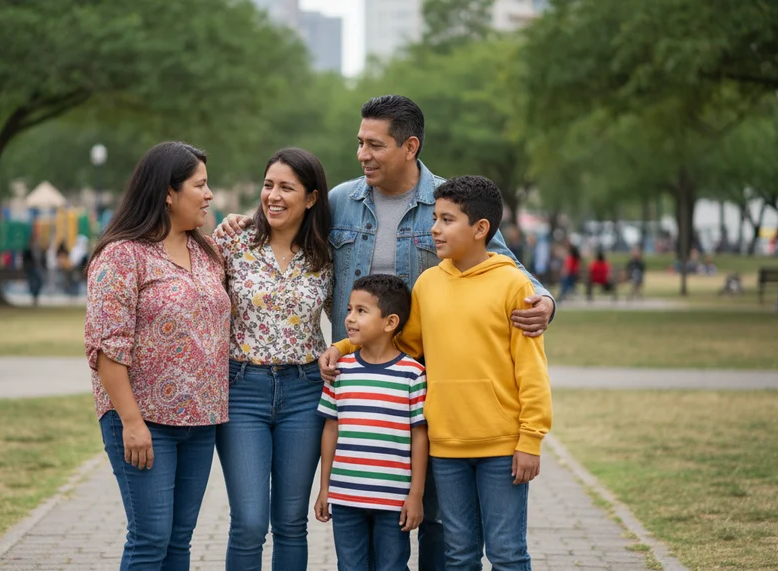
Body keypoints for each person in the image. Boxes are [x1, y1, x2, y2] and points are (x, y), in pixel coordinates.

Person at [217, 96, 555, 570]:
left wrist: (544, 300)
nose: (362, 154)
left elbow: (501, 260)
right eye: (359, 143)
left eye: (375, 145)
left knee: (437, 518)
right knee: (364, 506)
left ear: (410, 146)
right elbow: (286, 225)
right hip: (359, 385)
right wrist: (241, 222)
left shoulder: (447, 201)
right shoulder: (340, 202)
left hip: (429, 385)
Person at [324, 176, 552, 571]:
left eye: (447, 220)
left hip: (501, 446)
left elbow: (531, 369)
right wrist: (343, 347)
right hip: (446, 447)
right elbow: (405, 344)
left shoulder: (513, 283)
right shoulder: (428, 284)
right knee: (458, 554)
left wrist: (530, 439)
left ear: (480, 229)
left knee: (507, 553)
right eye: (435, 217)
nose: (434, 228)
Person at [84, 141, 231, 571]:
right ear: (168, 192)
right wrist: (131, 423)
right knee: (150, 539)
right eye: (200, 185)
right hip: (143, 420)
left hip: (201, 422)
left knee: (179, 542)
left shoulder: (207, 253)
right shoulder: (122, 255)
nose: (209, 195)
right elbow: (107, 348)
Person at [213, 148, 333, 571]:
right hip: (241, 389)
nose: (274, 196)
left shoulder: (325, 254)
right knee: (248, 522)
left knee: (290, 523)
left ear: (312, 198)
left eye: (287, 187)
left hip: (305, 393)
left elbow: (353, 320)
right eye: (268, 185)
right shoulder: (232, 240)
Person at [314, 274, 428, 571]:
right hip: (346, 496)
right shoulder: (340, 371)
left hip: (393, 500)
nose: (350, 318)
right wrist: (325, 488)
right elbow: (331, 428)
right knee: (350, 566)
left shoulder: (412, 374)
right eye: (350, 309)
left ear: (390, 322)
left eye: (361, 311)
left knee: (391, 567)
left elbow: (419, 436)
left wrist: (415, 495)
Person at [22, 236, 45, 306]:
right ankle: (34, 297)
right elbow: (25, 260)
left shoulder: (38, 250)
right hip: (31, 269)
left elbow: (42, 259)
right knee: (32, 283)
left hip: (37, 268)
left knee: (39, 282)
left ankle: (35, 296)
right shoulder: (27, 250)